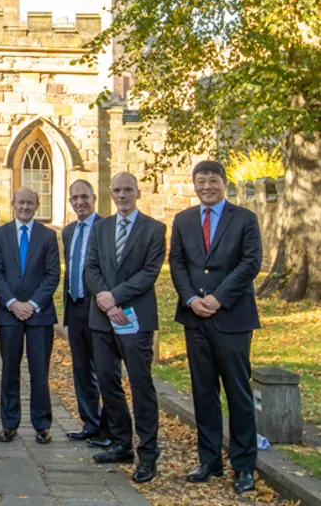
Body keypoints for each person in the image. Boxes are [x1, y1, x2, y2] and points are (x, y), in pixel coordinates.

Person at [169, 161, 261, 494]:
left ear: (224, 183)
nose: (207, 186)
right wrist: (191, 299)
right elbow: (177, 263)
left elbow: (250, 262)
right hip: (195, 319)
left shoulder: (245, 219)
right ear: (194, 184)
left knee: (238, 393)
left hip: (232, 318)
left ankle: (244, 465)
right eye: (201, 181)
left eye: (213, 180)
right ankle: (209, 460)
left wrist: (219, 299)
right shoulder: (183, 220)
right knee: (204, 392)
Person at [84, 172, 166, 484]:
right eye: (116, 190)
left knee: (140, 384)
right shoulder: (100, 227)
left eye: (127, 190)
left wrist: (115, 298)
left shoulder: (155, 229)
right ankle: (121, 443)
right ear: (110, 193)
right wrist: (107, 304)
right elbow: (91, 266)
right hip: (102, 319)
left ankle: (148, 453)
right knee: (107, 380)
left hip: (136, 317)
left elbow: (149, 273)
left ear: (138, 192)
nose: (121, 195)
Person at [0, 188, 60, 445]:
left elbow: (53, 275)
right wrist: (12, 303)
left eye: (31, 202)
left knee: (39, 371)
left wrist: (31, 304)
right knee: (9, 370)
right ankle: (9, 424)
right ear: (13, 204)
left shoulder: (48, 236)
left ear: (37, 204)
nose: (26, 207)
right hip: (9, 315)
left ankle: (42, 424)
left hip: (39, 315)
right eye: (21, 202)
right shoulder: (0, 235)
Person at [62, 180, 113, 448]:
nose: (80, 202)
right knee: (81, 370)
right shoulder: (68, 231)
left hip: (97, 308)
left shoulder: (105, 227)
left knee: (103, 370)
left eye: (84, 197)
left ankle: (107, 428)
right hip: (75, 306)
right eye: (75, 198)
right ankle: (90, 423)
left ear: (94, 198)